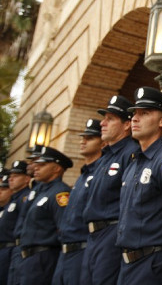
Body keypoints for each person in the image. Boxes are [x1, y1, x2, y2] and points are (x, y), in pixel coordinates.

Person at [116, 87, 162, 285]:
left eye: (144, 113)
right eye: (134, 114)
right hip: (128, 263)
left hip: (155, 263)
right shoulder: (133, 163)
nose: (135, 119)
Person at [80, 95, 136, 285]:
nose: (102, 123)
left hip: (112, 232)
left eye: (110, 119)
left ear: (127, 124)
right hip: (93, 235)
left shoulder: (131, 152)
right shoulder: (104, 157)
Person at [52, 119, 104, 285]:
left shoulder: (101, 174)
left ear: (102, 143)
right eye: (83, 137)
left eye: (89, 138)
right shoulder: (82, 176)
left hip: (84, 249)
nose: (83, 141)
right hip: (65, 250)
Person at [19, 147, 72, 285]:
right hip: (28, 256)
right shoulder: (41, 191)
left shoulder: (60, 193)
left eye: (42, 165)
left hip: (43, 257)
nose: (36, 167)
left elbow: (63, 228)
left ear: (56, 169)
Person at [7, 150, 41, 285]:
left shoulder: (26, 195)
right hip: (19, 247)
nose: (32, 165)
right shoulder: (33, 191)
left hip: (33, 249)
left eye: (36, 162)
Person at [0, 161, 30, 285]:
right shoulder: (12, 201)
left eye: (16, 176)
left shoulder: (24, 198)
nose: (11, 179)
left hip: (11, 248)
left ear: (27, 178)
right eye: (11, 176)